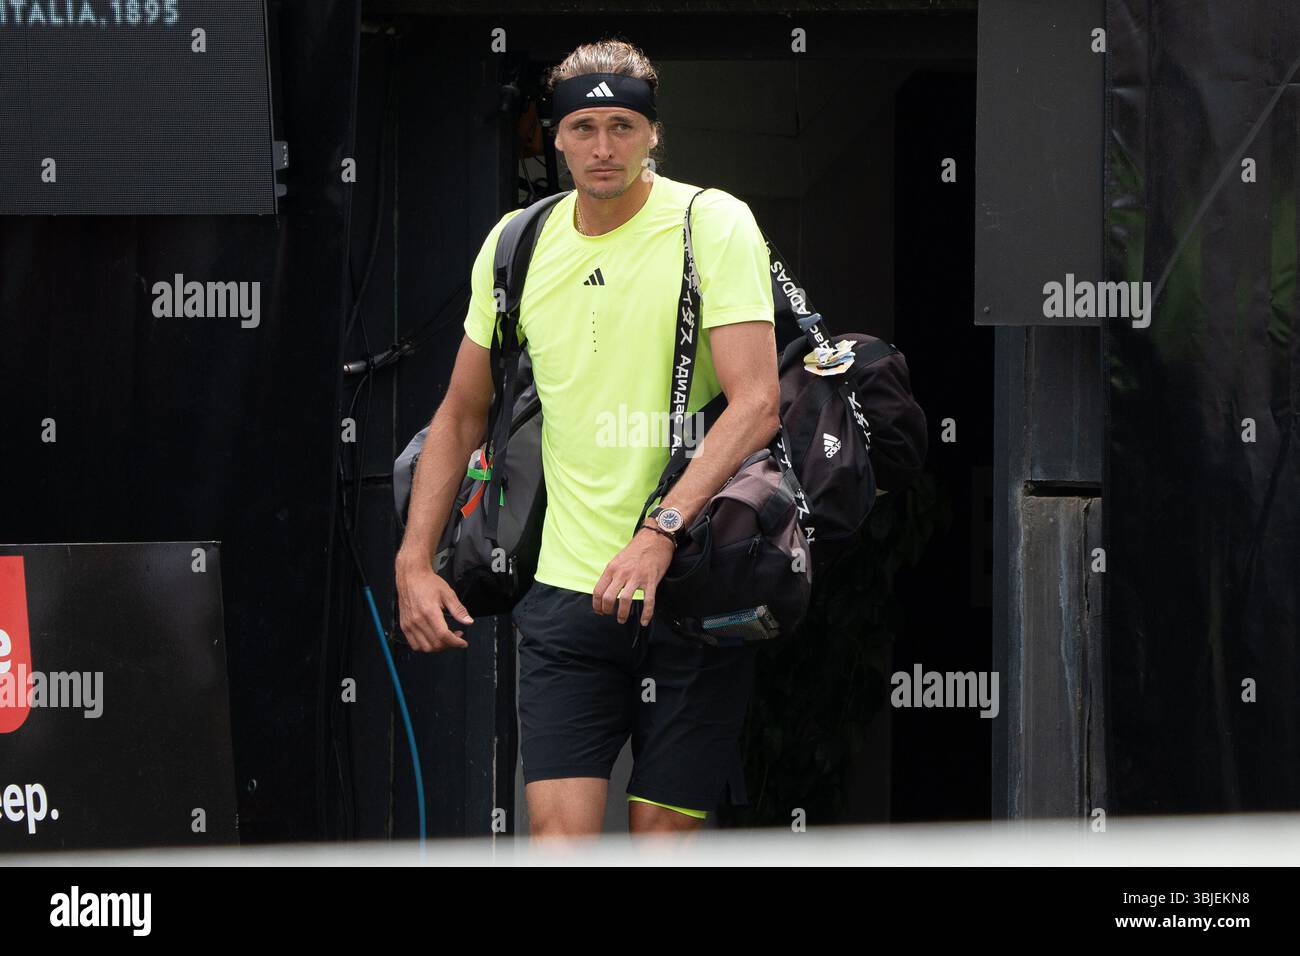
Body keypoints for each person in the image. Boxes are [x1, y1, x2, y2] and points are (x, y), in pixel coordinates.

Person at [394, 38, 780, 842]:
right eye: (583, 128)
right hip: (565, 595)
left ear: (653, 134)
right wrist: (411, 560)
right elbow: (461, 412)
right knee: (557, 845)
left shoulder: (712, 224)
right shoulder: (517, 242)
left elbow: (758, 404)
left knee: (659, 843)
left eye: (623, 125)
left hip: (690, 589)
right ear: (554, 135)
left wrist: (658, 533)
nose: (603, 148)